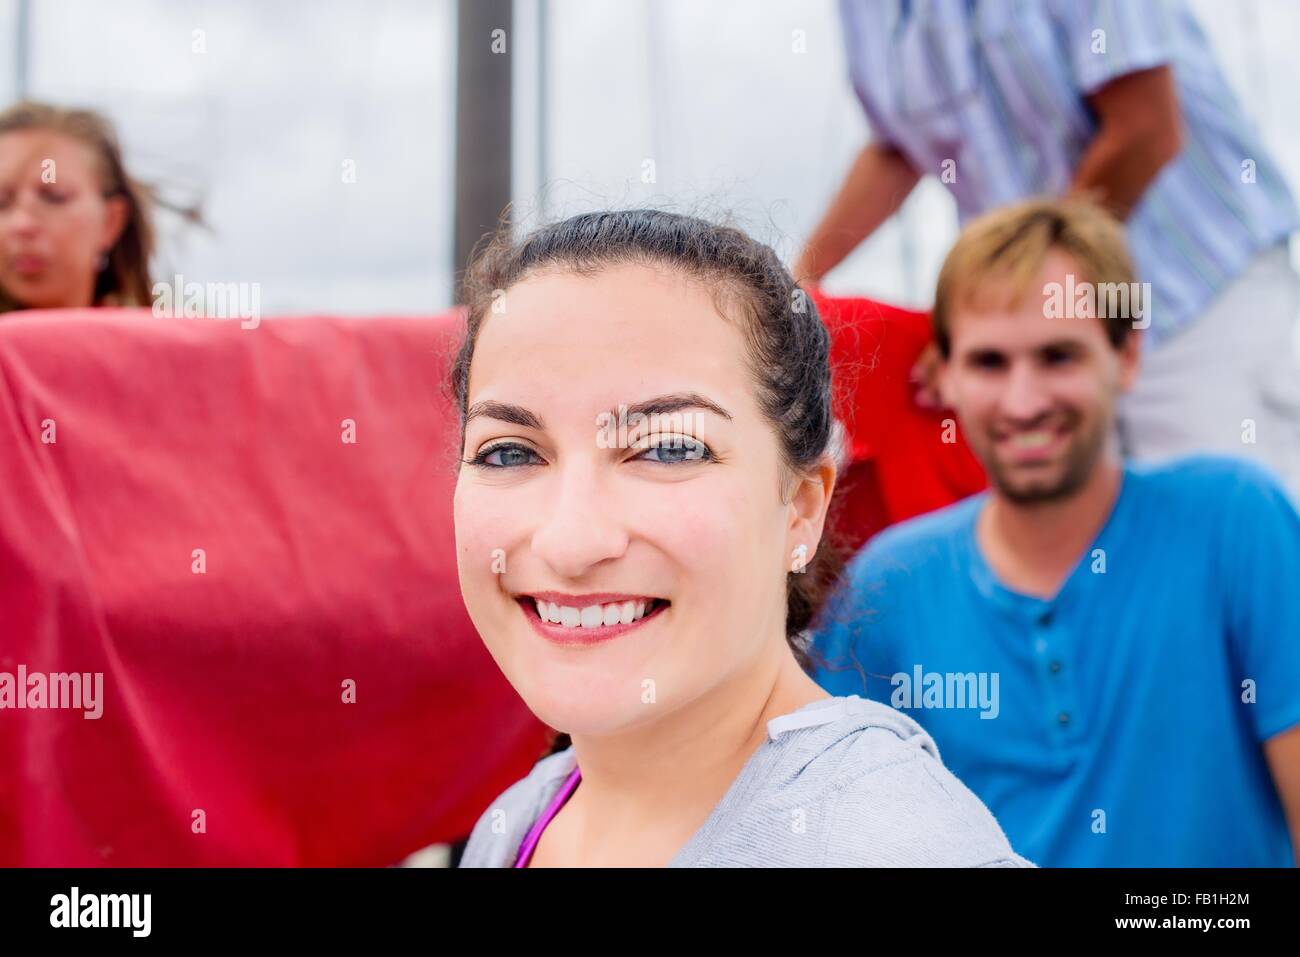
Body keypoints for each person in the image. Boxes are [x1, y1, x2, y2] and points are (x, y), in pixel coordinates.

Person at [451, 209, 1032, 867]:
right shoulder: (515, 824)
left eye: (667, 448)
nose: (571, 540)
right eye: (508, 452)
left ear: (801, 508)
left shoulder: (894, 846)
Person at [811, 197, 1300, 867]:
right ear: (944, 374)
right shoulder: (889, 584)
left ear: (1127, 355)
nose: (1023, 399)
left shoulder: (1236, 523)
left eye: (1058, 356)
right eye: (989, 363)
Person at [795, 0, 1300, 496]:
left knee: (1232, 538)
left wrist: (991, 312)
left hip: (1196, 300)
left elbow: (1146, 129)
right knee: (1090, 564)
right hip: (1045, 334)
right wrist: (793, 287)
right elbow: (897, 147)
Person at [0, 101, 156, 314]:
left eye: (55, 197)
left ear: (111, 221)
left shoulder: (157, 341)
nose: (22, 224)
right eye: (1, 203)